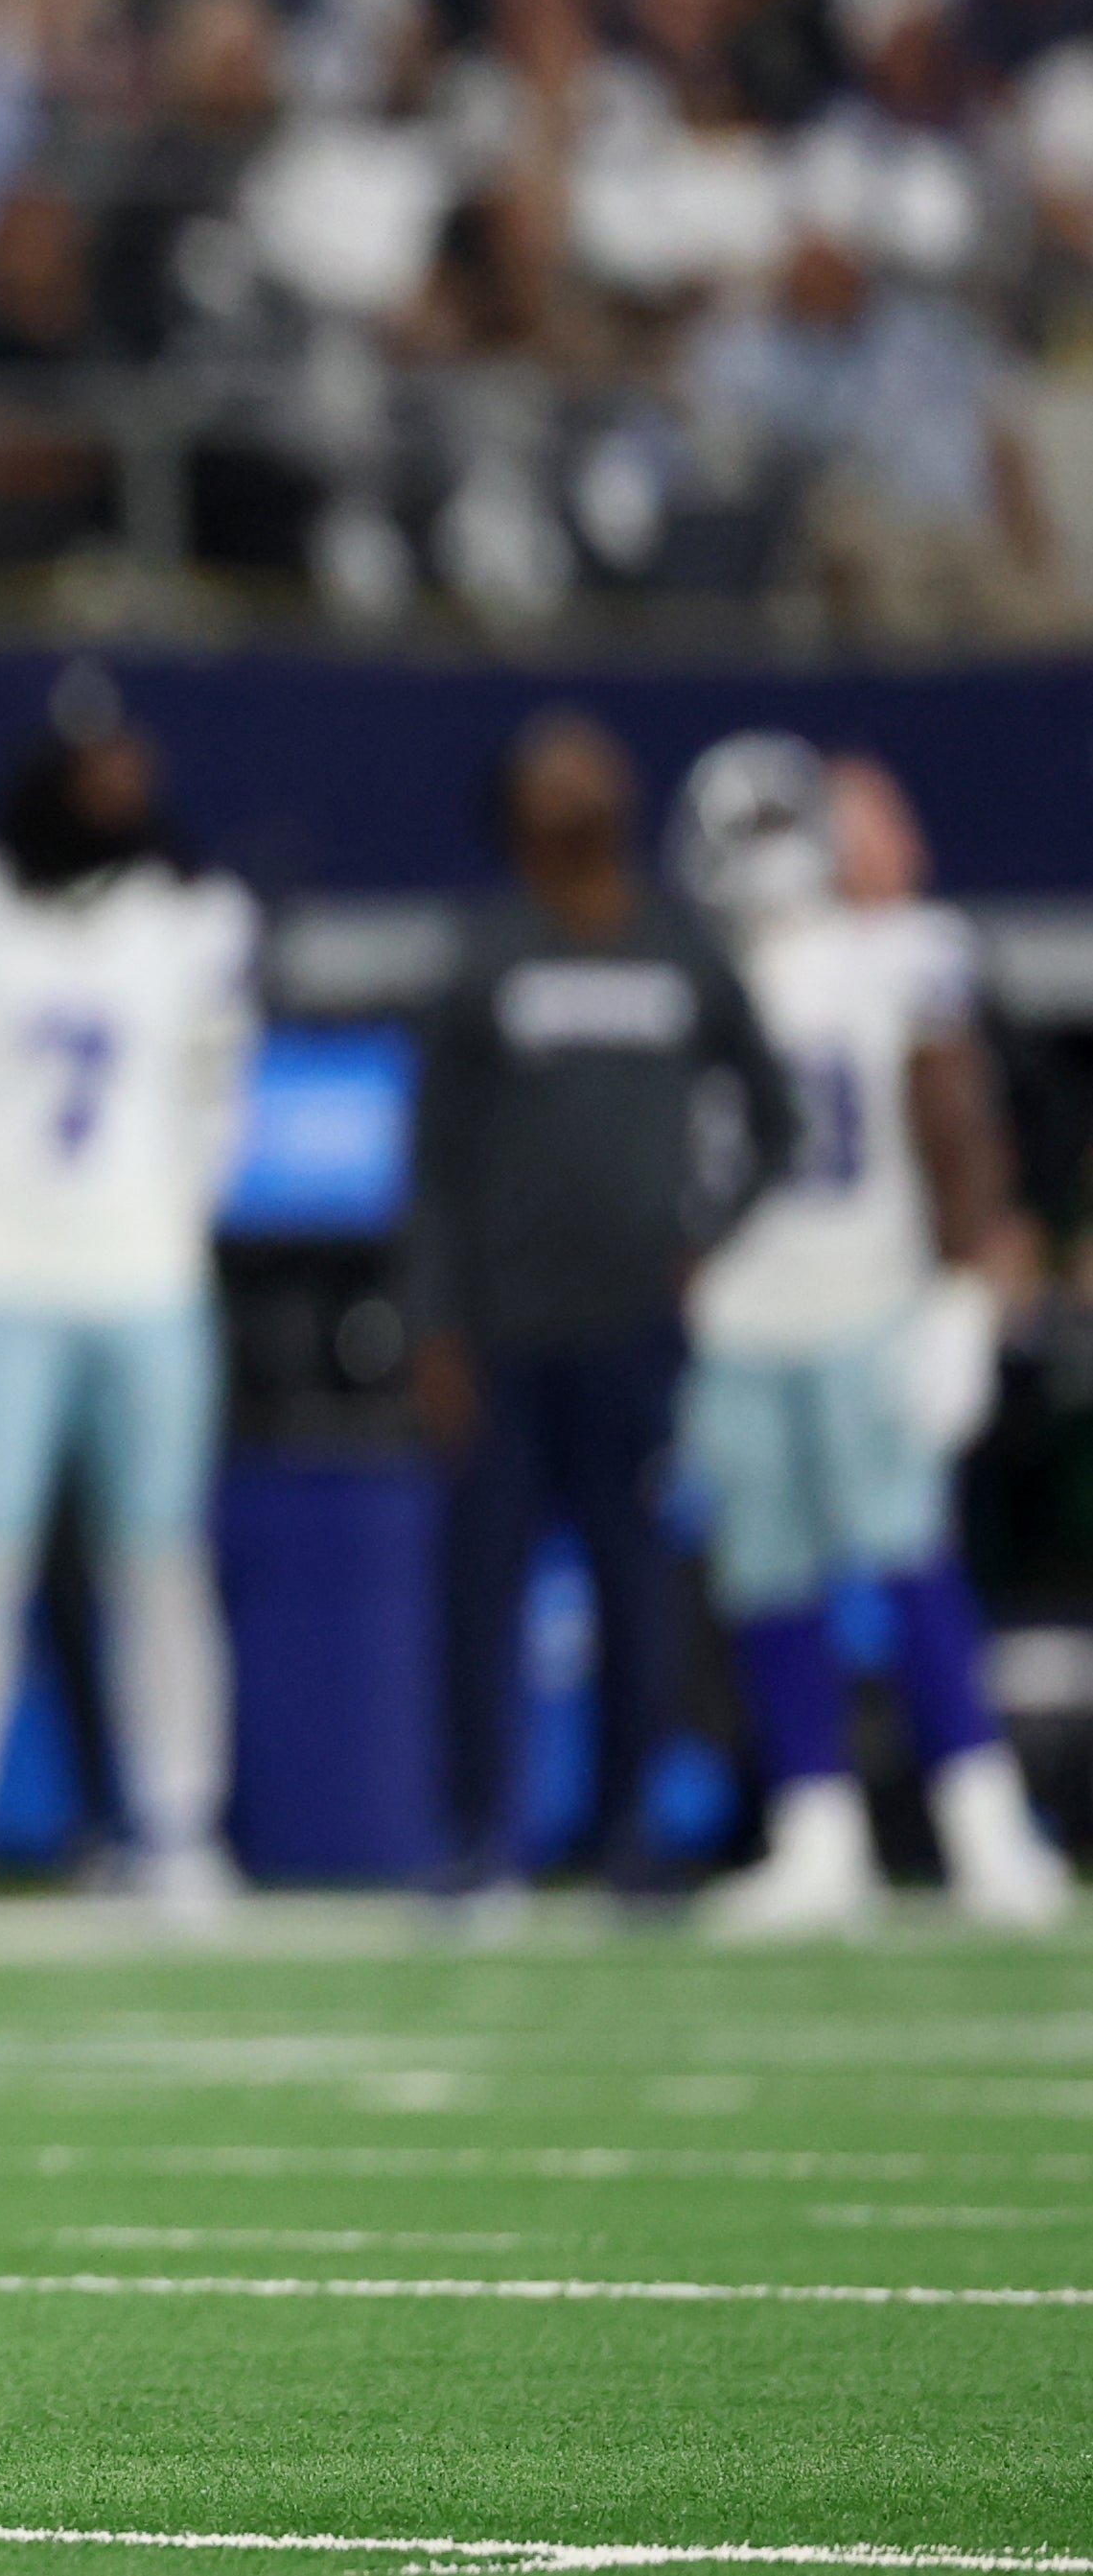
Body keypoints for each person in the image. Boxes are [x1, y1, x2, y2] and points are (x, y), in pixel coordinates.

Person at [0, 707, 260, 1932]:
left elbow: (216, 1089)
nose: (114, 792)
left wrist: (175, 1226)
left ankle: (181, 1826)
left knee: (159, 1558)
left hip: (141, 1272)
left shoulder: (192, 914)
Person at [667, 739, 1071, 1933]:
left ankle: (984, 1821)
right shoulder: (700, 972)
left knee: (905, 1565)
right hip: (745, 1312)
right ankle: (816, 1829)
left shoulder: (898, 956)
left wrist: (962, 1290)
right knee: (772, 1579)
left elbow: (956, 1123)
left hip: (857, 1297)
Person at [407, 709, 799, 1903]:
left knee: (636, 1582)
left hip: (634, 1324)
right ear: (519, 809)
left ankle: (628, 1824)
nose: (584, 789)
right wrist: (432, 1325)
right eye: (556, 775)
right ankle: (481, 1833)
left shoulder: (679, 947)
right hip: (503, 1328)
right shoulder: (488, 952)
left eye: (596, 768)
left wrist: (704, 1234)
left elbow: (774, 1115)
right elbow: (431, 1164)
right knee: (481, 1591)